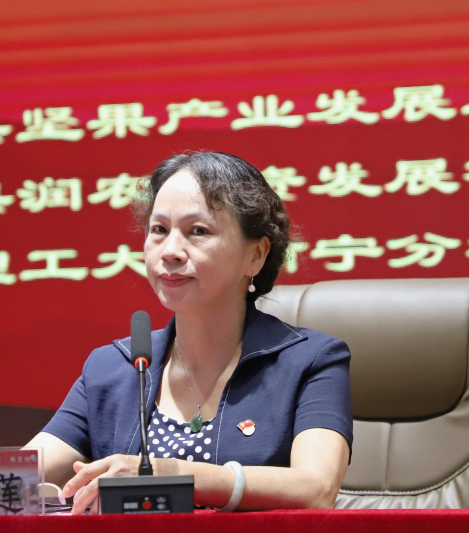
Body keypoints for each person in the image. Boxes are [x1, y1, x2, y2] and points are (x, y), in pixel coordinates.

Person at [26, 151, 352, 514]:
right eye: (159, 230)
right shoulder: (115, 368)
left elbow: (315, 489)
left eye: (198, 231)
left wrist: (171, 474)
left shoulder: (310, 362)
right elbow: (19, 476)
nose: (170, 252)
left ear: (256, 255)